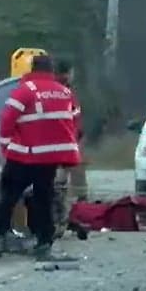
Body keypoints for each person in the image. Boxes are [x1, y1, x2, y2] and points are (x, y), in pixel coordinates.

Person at [0, 54, 80, 259]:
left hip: (24, 156)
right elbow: (74, 123)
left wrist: (6, 149)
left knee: (10, 195)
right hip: (50, 158)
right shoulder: (65, 93)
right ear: (51, 71)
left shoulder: (24, 91)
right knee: (43, 197)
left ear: (32, 69)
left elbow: (6, 121)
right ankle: (44, 241)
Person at [52, 59, 89, 228]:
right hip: (65, 143)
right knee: (61, 182)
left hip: (69, 141)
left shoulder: (64, 90)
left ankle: (73, 213)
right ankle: (66, 215)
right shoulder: (62, 92)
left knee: (65, 181)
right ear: (66, 73)